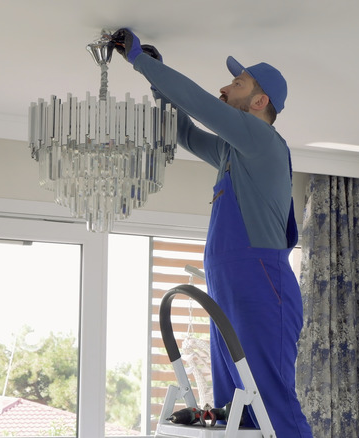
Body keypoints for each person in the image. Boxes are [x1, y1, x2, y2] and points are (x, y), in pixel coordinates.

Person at [112, 28, 312, 437]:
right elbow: (185, 132)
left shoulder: (262, 139)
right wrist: (156, 81)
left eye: (236, 83)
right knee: (235, 412)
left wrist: (143, 62)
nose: (224, 87)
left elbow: (199, 104)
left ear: (259, 102)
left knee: (270, 404)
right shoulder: (231, 153)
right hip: (228, 291)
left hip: (261, 286)